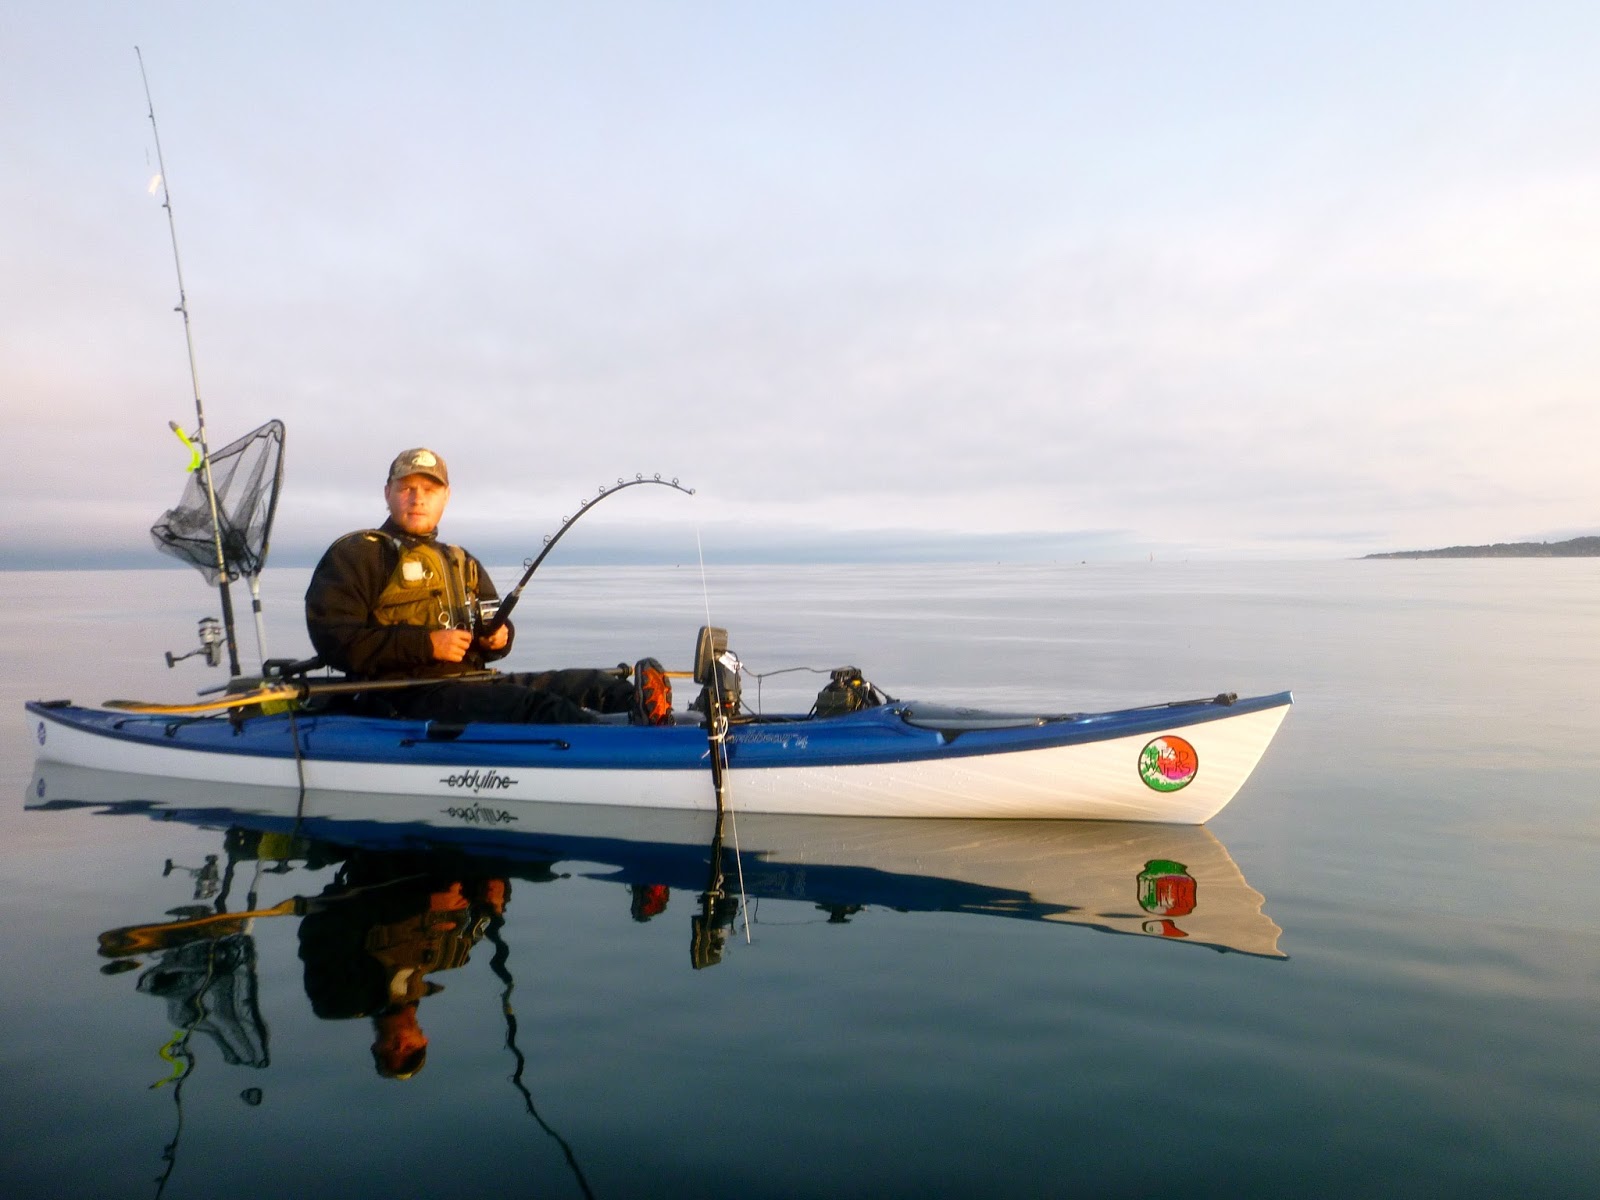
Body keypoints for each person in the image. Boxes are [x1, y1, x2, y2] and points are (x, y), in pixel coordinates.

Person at [305, 447, 672, 725]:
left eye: (429, 490)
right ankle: (629, 747)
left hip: (473, 680)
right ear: (388, 493)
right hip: (401, 694)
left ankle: (661, 716)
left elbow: (494, 625)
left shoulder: (460, 560)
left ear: (445, 497)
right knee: (541, 709)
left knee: (589, 683)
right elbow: (335, 640)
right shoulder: (359, 554)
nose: (417, 498)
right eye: (407, 488)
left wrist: (497, 638)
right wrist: (427, 645)